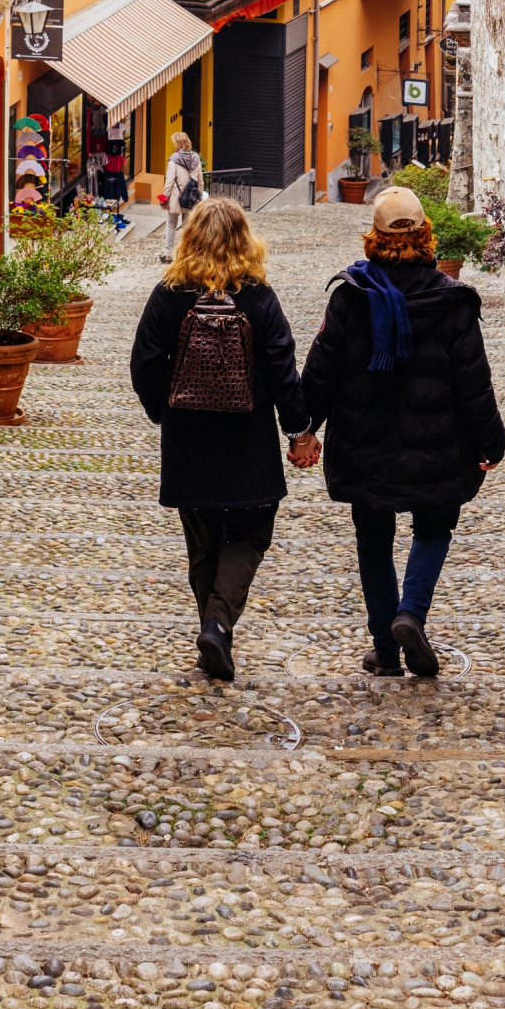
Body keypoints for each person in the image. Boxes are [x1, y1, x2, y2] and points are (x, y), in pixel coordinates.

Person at [297, 184, 505, 678]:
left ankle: (386, 653)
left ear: (374, 238)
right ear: (426, 236)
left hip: (363, 445)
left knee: (373, 538)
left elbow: (319, 374)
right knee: (434, 527)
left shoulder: (351, 298)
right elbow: (474, 383)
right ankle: (411, 613)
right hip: (438, 450)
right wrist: (491, 443)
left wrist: (304, 430)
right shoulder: (453, 303)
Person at [129, 197, 316, 682]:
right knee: (251, 535)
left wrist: (164, 413)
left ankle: (214, 633)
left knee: (203, 543)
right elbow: (281, 368)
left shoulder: (169, 294)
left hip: (188, 439)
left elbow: (144, 364)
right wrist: (298, 432)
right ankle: (216, 625)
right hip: (247, 439)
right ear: (245, 241)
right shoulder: (258, 297)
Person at [160, 130, 205, 260]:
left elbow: (169, 182)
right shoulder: (196, 158)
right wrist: (199, 197)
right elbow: (200, 181)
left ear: (178, 144)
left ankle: (168, 253)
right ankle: (186, 253)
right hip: (191, 198)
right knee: (187, 227)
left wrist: (164, 198)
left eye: (174, 142)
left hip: (176, 198)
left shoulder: (174, 160)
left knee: (171, 224)